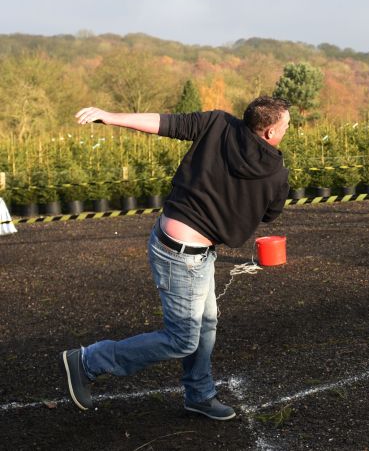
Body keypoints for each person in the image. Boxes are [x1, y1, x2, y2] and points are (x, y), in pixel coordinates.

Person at [61, 96, 291, 421]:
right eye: (285, 125)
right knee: (182, 339)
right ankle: (87, 362)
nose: (288, 128)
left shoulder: (218, 123)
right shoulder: (276, 173)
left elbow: (164, 123)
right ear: (268, 132)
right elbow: (270, 215)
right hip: (180, 256)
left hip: (188, 248)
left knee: (207, 323)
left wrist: (110, 116)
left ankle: (199, 394)